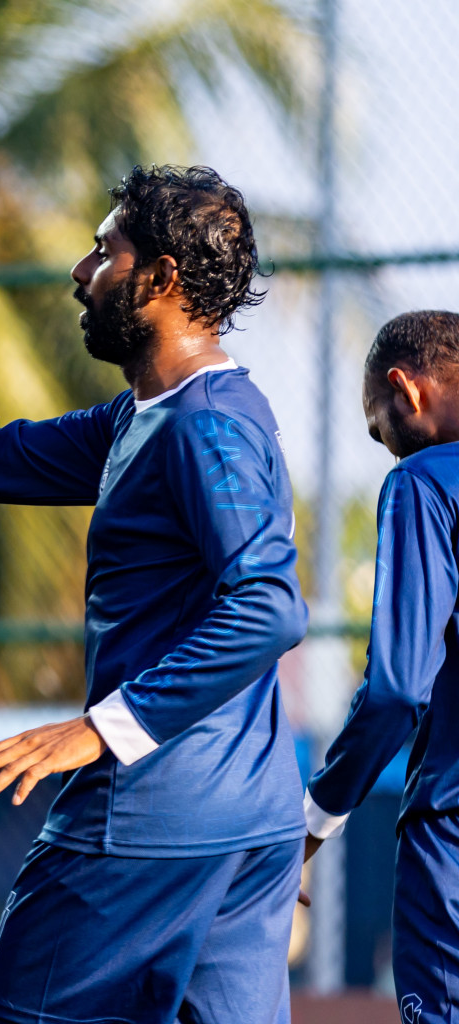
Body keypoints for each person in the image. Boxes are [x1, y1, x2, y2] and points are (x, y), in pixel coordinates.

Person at [0, 167, 306, 1023]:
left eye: (103, 250)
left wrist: (98, 729)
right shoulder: (145, 416)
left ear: (160, 279)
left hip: (152, 815)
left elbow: (268, 607)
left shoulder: (207, 425)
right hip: (247, 823)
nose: (82, 272)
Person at [303, 310, 459, 1020]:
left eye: (379, 429)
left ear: (406, 391)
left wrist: (313, 820)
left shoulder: (424, 482)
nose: (387, 449)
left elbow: (396, 690)